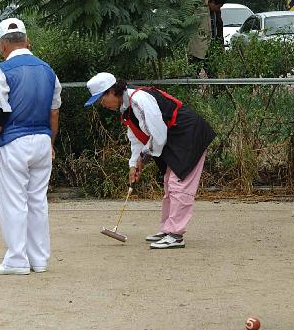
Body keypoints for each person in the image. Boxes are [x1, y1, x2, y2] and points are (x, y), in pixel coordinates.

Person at [85, 72, 214, 249]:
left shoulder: (139, 100)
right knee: (170, 183)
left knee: (179, 184)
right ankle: (168, 230)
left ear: (111, 92)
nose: (101, 104)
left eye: (101, 98)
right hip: (175, 139)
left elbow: (158, 136)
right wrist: (133, 164)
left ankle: (176, 235)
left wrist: (143, 159)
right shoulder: (127, 110)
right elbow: (137, 138)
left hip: (189, 134)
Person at [0, 18, 61, 275]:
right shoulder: (49, 70)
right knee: (38, 200)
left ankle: (17, 259)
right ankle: (38, 259)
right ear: (28, 41)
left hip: (14, 142)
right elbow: (53, 113)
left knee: (14, 201)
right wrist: (49, 143)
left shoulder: (2, 71)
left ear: (2, 45)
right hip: (42, 141)